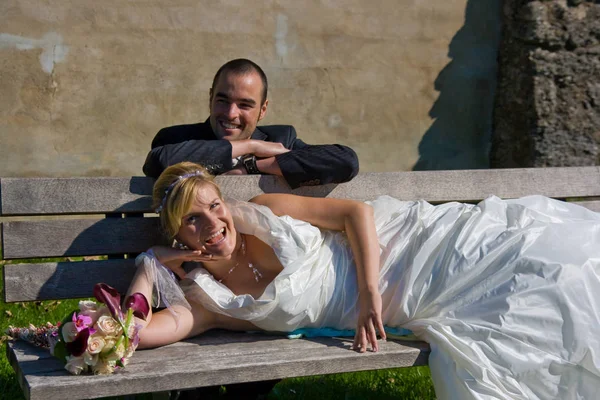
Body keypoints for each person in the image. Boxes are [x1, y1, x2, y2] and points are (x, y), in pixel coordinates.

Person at [128, 161, 600, 400]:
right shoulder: (208, 304)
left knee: (537, 261)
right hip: (408, 299)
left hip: (400, 247)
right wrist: (149, 264)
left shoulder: (266, 209)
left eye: (214, 206)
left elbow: (357, 212)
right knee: (522, 300)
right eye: (193, 221)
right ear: (176, 235)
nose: (213, 224)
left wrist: (369, 296)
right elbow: (136, 329)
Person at [142, 58, 359, 189]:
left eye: (245, 105)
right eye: (222, 100)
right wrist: (251, 147)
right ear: (210, 98)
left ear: (262, 110)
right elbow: (160, 161)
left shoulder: (281, 139)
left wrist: (252, 165)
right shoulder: (176, 140)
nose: (231, 113)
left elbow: (345, 161)